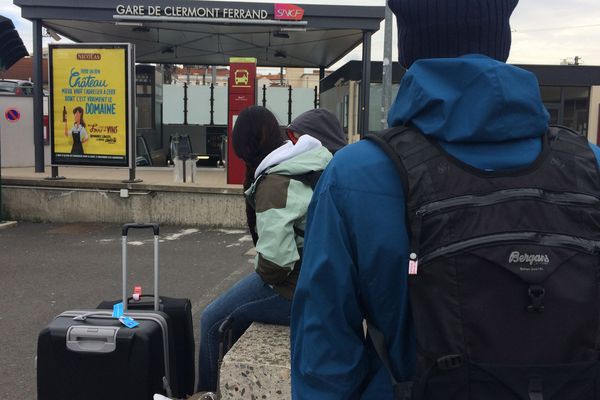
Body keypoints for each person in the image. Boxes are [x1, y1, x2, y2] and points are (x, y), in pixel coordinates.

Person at [290, 0, 600, 399]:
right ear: (500, 39)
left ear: (407, 48)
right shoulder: (590, 167)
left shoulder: (354, 176)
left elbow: (324, 364)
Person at [197, 106, 333, 393]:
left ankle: (205, 394)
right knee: (237, 309)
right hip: (326, 281)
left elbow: (275, 264)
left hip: (299, 291)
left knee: (212, 320)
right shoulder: (308, 161)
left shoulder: (275, 183)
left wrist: (259, 268)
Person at [246, 108, 347, 244]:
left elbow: (274, 256)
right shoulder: (345, 172)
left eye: (300, 141)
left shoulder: (283, 182)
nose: (295, 148)